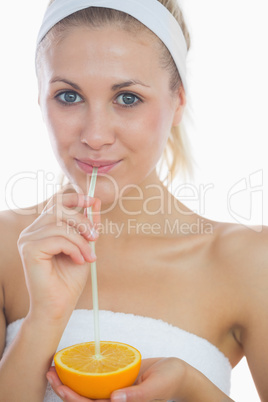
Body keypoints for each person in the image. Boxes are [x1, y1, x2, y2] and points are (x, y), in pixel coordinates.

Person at [0, 0, 267, 401]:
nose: (95, 135)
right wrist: (44, 321)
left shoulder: (247, 261)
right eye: (69, 96)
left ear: (178, 100)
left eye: (127, 98)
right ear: (39, 99)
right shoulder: (8, 247)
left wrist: (192, 389)